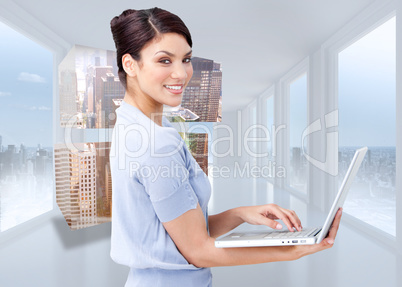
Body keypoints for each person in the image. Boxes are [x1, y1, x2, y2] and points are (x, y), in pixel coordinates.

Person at [109, 7, 342, 287]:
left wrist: (239, 214)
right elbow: (198, 250)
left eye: (186, 59)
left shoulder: (133, 125)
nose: (181, 73)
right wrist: (290, 250)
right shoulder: (155, 142)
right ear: (130, 65)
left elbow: (177, 231)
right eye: (164, 60)